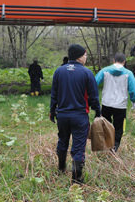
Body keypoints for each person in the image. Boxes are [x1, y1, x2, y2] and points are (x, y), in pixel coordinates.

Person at [50, 44, 101, 184]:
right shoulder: (87, 73)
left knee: (62, 141)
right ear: (79, 56)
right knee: (78, 147)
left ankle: (61, 169)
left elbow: (54, 94)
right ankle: (77, 180)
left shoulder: (58, 71)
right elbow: (93, 96)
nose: (86, 58)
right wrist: (98, 111)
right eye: (85, 55)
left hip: (62, 116)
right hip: (79, 116)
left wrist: (51, 111)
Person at [95, 53, 135, 152]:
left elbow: (94, 82)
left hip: (106, 103)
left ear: (113, 60)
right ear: (124, 61)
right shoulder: (128, 73)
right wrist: (133, 100)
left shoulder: (105, 70)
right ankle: (115, 146)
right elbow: (133, 89)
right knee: (119, 127)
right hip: (121, 105)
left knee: (106, 124)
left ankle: (106, 143)